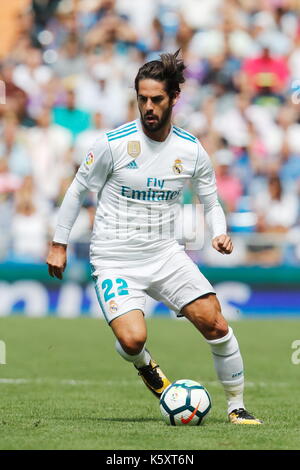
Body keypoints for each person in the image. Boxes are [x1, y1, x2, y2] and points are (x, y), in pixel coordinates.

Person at [46, 50, 262, 425]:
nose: (148, 106)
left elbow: (211, 203)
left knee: (216, 324)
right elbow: (77, 190)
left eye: (156, 99)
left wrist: (221, 233)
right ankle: (147, 367)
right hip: (115, 259)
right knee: (132, 340)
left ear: (174, 98)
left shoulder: (191, 151)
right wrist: (59, 243)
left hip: (165, 255)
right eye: (142, 98)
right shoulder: (113, 144)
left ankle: (237, 407)